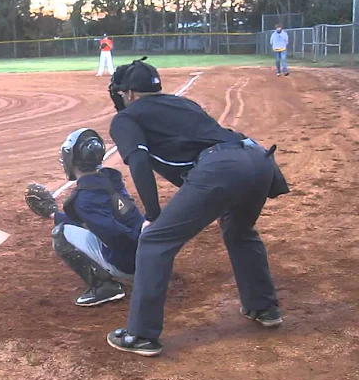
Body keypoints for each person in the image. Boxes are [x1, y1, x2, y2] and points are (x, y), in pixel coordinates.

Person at [104, 57, 290, 356]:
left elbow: (138, 160)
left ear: (129, 93)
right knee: (239, 231)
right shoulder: (184, 104)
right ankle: (263, 307)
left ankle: (140, 335)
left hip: (222, 166)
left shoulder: (127, 117)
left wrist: (152, 214)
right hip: (257, 157)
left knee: (154, 242)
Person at [26, 128, 145, 306]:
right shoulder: (111, 178)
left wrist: (53, 215)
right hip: (151, 255)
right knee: (107, 225)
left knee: (61, 233)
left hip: (130, 265)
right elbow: (95, 220)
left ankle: (105, 288)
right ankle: (146, 269)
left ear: (71, 160)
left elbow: (113, 233)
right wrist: (55, 214)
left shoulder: (84, 200)